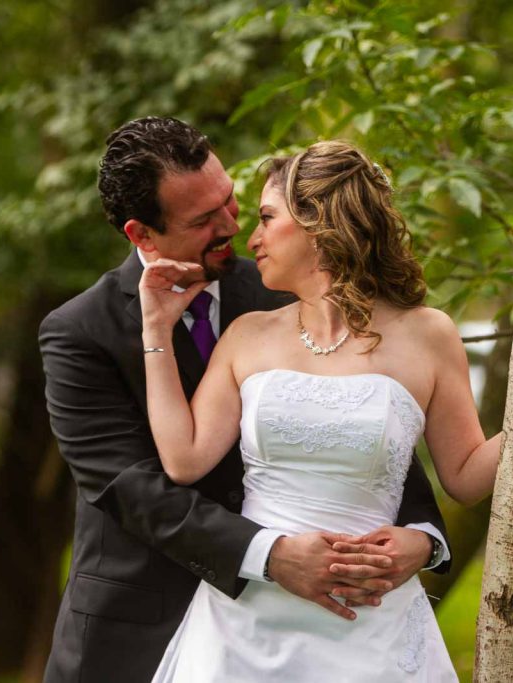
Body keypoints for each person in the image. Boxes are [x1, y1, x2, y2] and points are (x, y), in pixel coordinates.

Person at [139, 140, 513, 681]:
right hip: (245, 630)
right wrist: (154, 328)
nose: (253, 238)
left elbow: (465, 477)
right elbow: (183, 460)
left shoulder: (429, 335)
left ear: (320, 221)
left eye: (268, 218)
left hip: (373, 630)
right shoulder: (247, 336)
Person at [39, 119, 451, 683]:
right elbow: (132, 489)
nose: (232, 225)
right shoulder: (79, 331)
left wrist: (422, 539)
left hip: (331, 632)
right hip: (138, 627)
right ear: (143, 235)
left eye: (230, 201)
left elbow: (374, 433)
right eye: (204, 220)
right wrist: (270, 555)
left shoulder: (284, 288)